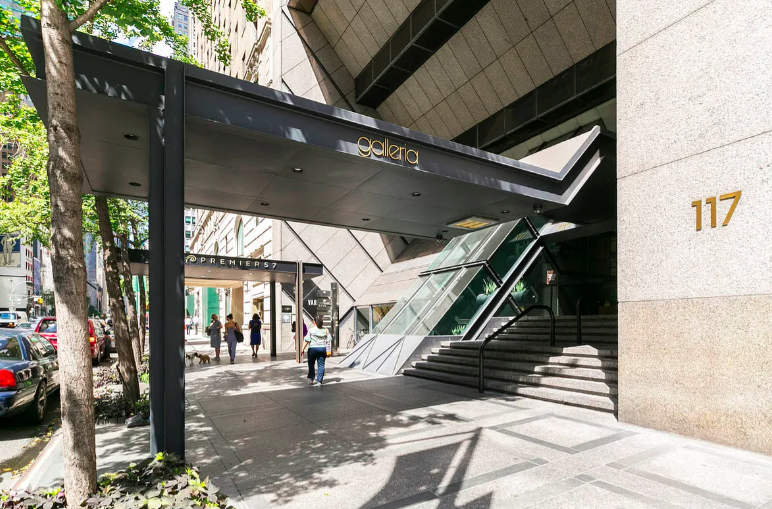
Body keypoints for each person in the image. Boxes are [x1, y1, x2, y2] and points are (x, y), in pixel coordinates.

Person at [301, 315, 330, 386]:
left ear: (314, 322)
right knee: (321, 365)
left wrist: (302, 349)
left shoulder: (311, 330)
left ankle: (311, 379)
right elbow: (328, 340)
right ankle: (319, 381)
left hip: (312, 349)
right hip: (322, 349)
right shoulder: (326, 330)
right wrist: (328, 350)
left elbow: (307, 340)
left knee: (311, 364)